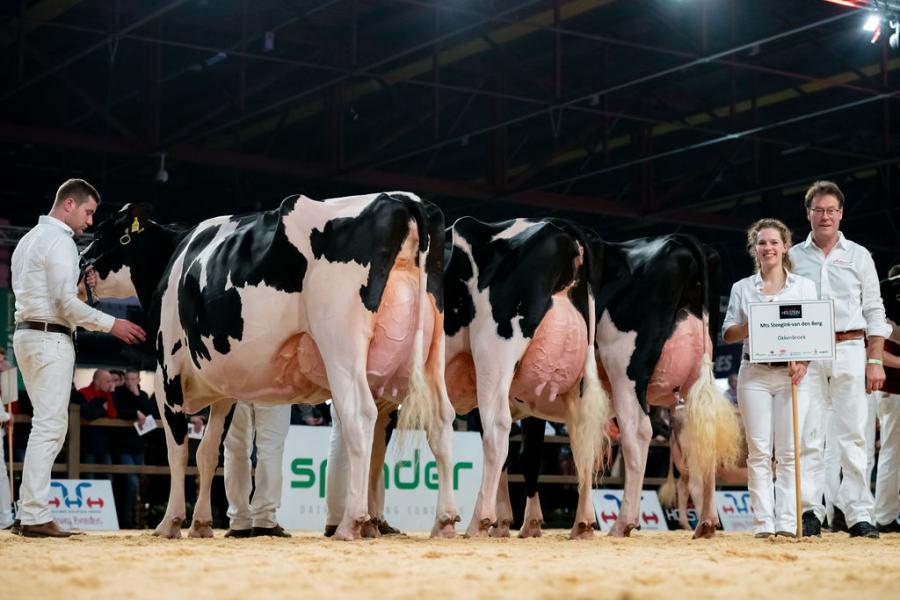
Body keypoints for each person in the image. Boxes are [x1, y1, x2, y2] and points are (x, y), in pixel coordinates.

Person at [11, 178, 146, 538]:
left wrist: (80, 287)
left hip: (26, 333)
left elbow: (54, 297)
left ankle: (29, 511)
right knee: (50, 426)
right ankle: (35, 514)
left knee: (45, 424)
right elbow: (63, 305)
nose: (89, 222)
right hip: (50, 338)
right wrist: (111, 324)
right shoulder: (59, 241)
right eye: (88, 212)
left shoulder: (27, 241)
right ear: (68, 204)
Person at [789, 180, 891, 539]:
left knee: (854, 436)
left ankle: (858, 514)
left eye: (832, 210)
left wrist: (875, 360)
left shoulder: (859, 255)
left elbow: (874, 310)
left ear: (841, 213)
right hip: (808, 355)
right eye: (819, 210)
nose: (825, 216)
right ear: (808, 214)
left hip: (850, 349)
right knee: (809, 435)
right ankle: (809, 512)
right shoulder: (793, 256)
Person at [722, 218, 818, 538]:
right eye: (762, 243)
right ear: (754, 249)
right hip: (754, 374)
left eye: (774, 242)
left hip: (792, 375)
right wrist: (755, 325)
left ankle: (788, 524)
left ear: (785, 246)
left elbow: (813, 330)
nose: (768, 248)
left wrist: (804, 361)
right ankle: (764, 524)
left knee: (790, 453)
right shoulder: (741, 288)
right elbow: (728, 333)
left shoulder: (804, 287)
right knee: (759, 452)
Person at [222, 401, 292, 537]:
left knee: (235, 448)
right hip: (273, 384)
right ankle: (264, 519)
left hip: (234, 385)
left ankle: (239, 520)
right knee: (270, 447)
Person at [874, 264, 900, 533]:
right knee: (891, 454)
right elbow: (877, 354)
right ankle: (883, 516)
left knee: (892, 454)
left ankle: (885, 514)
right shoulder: (884, 316)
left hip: (891, 393)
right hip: (893, 392)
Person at [112, 368, 154, 528]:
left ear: (138, 380)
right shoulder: (118, 393)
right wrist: (135, 413)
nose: (130, 382)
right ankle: (126, 520)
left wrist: (137, 395)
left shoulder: (142, 395)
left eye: (133, 379)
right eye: (128, 379)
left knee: (139, 484)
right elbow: (119, 412)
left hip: (139, 446)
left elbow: (149, 413)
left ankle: (136, 519)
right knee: (131, 482)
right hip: (123, 445)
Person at [78, 368, 116, 477]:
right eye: (108, 381)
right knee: (89, 476)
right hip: (87, 443)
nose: (111, 384)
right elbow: (87, 415)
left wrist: (110, 395)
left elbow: (113, 415)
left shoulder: (108, 395)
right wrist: (103, 409)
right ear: (97, 382)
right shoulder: (83, 393)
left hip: (105, 443)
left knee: (108, 477)